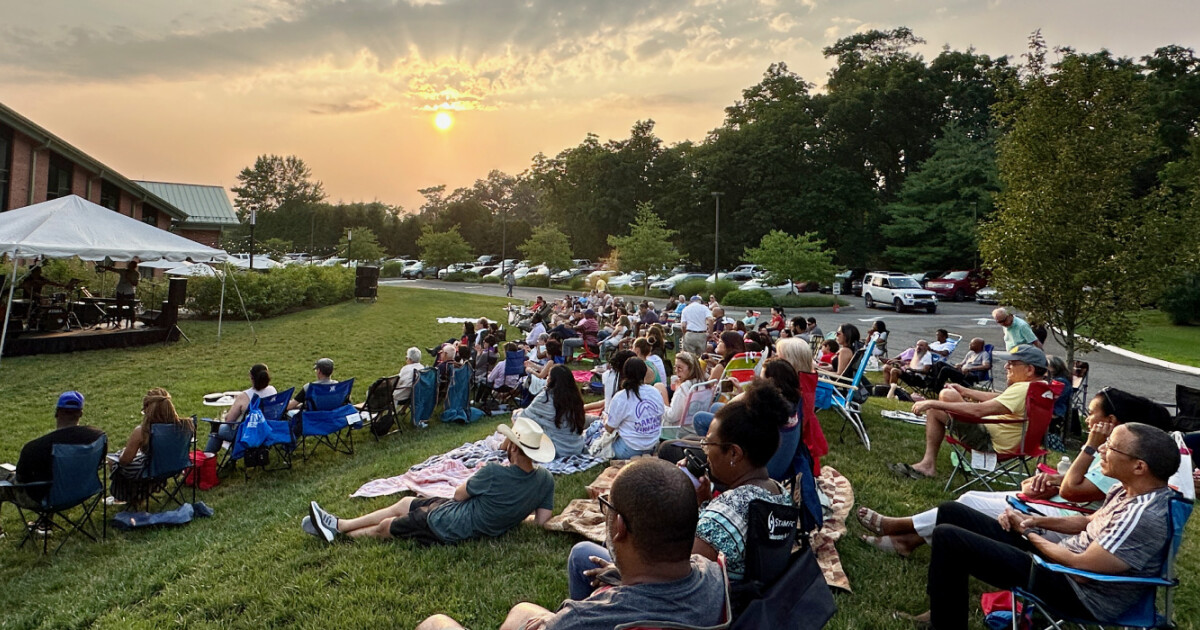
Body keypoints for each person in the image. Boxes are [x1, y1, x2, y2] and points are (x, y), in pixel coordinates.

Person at [907, 422, 1181, 628]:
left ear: (1139, 467)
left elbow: (1082, 567)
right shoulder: (1127, 490)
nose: (1101, 449)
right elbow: (1087, 521)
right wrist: (1032, 521)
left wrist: (1026, 532)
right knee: (953, 511)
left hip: (1077, 590)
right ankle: (941, 608)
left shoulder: (1144, 515)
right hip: (1056, 563)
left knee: (949, 538)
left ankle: (944, 623)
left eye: (1110, 447)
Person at [858, 388, 1174, 557]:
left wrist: (1090, 444)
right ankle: (907, 540)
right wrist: (1048, 480)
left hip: (1064, 523)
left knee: (966, 505)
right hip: (1055, 508)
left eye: (1092, 415)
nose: (1088, 420)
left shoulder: (1121, 457)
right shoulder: (1117, 453)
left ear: (1111, 421)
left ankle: (899, 528)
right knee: (969, 498)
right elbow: (1071, 487)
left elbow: (1074, 492)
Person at [415, 458, 726, 630]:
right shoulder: (713, 575)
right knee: (522, 609)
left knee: (435, 624)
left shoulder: (581, 620)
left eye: (608, 507)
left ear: (619, 528)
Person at [305, 417, 556, 545]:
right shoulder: (545, 480)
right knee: (406, 502)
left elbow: (458, 495)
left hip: (449, 525)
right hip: (459, 513)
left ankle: (340, 535)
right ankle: (340, 524)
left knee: (388, 527)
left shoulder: (493, 473)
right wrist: (512, 511)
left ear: (512, 445)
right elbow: (541, 521)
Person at [896, 344, 1048, 480]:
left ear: (1029, 369)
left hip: (990, 443)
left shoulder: (1023, 388)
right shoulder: (1040, 388)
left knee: (936, 410)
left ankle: (928, 465)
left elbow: (977, 411)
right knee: (946, 399)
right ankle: (927, 464)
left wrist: (931, 402)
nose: (1006, 367)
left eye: (1012, 363)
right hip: (1016, 445)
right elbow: (1001, 397)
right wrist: (965, 391)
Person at [0, 392, 104, 536]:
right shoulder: (98, 437)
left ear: (57, 412)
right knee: (52, 477)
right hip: (82, 491)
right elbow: (99, 464)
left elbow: (21, 480)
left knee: (9, 479)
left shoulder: (36, 447)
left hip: (47, 499)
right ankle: (44, 524)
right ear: (80, 413)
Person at [111, 388, 194, 507]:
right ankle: (140, 494)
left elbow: (125, 461)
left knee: (114, 462)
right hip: (176, 466)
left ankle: (125, 497)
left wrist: (121, 455)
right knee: (138, 462)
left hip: (152, 471)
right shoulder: (186, 425)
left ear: (147, 408)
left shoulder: (143, 431)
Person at [776, 337, 827, 473]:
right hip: (798, 447)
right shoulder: (806, 382)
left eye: (778, 356)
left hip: (785, 451)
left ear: (789, 361)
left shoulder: (793, 391)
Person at [205, 363, 279, 453]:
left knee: (216, 429)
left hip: (247, 434)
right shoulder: (272, 390)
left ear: (251, 378)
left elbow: (229, 420)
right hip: (267, 429)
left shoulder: (244, 396)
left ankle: (207, 458)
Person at [516, 364, 587, 457]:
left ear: (551, 380)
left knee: (518, 418)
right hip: (576, 447)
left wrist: (516, 413)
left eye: (548, 376)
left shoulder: (545, 397)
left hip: (556, 450)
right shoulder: (575, 398)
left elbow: (523, 417)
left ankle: (503, 446)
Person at [603, 358, 668, 458]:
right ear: (645, 372)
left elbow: (610, 428)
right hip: (653, 445)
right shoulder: (655, 392)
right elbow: (661, 415)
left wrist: (605, 420)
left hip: (629, 449)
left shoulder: (621, 397)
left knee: (601, 437)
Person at [663, 351, 705, 437]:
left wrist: (660, 404)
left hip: (679, 430)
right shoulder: (701, 383)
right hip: (694, 428)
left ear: (691, 369)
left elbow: (672, 416)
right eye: (675, 367)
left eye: (680, 368)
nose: (676, 371)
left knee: (659, 388)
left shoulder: (683, 389)